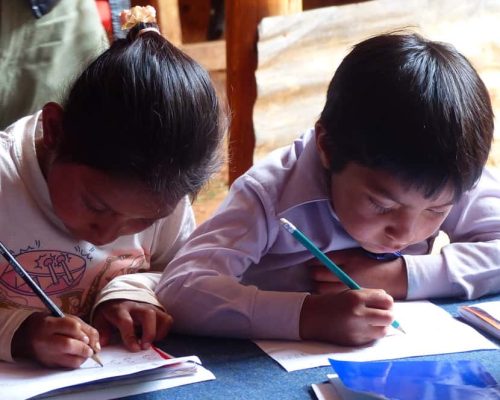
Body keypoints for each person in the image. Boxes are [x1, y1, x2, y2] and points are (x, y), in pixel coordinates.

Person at [156, 32, 500, 346]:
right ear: (327, 147)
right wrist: (309, 316)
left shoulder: (446, 169)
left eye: (437, 211)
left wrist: (400, 276)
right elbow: (181, 289)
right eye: (382, 205)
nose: (406, 233)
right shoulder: (270, 193)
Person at [0, 5, 226, 368]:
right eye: (96, 206)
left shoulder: (165, 188)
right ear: (55, 130)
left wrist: (131, 292)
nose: (106, 235)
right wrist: (21, 334)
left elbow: (182, 270)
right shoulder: (5, 182)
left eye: (143, 222)